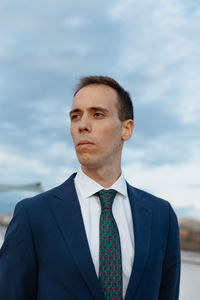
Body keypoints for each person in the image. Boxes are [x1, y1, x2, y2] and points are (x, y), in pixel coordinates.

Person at [0, 76, 180, 300]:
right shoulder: (33, 215)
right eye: (76, 116)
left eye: (97, 114)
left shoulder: (162, 216)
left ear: (127, 129)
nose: (82, 125)